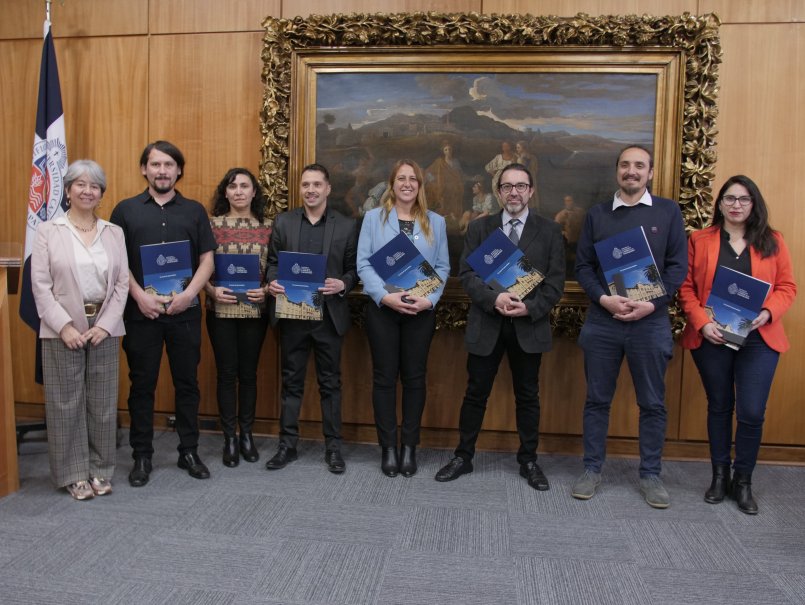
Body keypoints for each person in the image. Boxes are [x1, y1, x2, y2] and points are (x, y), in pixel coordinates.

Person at [435, 163, 565, 489]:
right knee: (475, 394)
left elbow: (555, 283)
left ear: (531, 191)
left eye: (521, 186)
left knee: (528, 396)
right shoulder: (480, 228)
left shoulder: (549, 230)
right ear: (498, 192)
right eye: (507, 186)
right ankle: (463, 457)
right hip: (487, 323)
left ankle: (529, 460)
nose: (514, 192)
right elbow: (467, 275)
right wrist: (494, 299)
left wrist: (529, 307)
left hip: (528, 326)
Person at [571, 145, 687, 508]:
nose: (631, 171)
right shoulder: (598, 215)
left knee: (652, 403)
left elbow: (677, 268)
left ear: (650, 172)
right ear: (617, 171)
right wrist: (604, 299)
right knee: (596, 400)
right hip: (603, 321)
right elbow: (583, 267)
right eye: (625, 165)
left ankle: (651, 475)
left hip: (650, 323)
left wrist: (651, 303)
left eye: (639, 165)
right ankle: (591, 469)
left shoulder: (668, 212)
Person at [679, 175, 796, 514]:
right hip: (713, 337)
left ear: (753, 204)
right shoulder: (700, 240)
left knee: (751, 411)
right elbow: (685, 288)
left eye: (744, 199)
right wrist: (702, 323)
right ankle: (719, 476)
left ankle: (743, 481)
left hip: (759, 339)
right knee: (719, 406)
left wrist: (767, 312)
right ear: (719, 203)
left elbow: (787, 287)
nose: (736, 205)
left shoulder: (773, 241)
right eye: (729, 198)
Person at [110, 140, 217, 487]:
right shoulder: (125, 211)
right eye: (155, 164)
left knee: (187, 384)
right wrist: (139, 296)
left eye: (169, 164)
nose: (162, 171)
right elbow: (117, 262)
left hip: (184, 313)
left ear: (178, 170)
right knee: (142, 385)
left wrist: (189, 295)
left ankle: (189, 451)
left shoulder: (195, 211)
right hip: (142, 314)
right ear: (144, 169)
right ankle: (142, 455)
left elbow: (207, 260)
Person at [31, 159, 129, 500]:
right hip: (62, 328)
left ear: (102, 193)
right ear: (69, 190)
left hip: (105, 328)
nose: (88, 191)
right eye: (81, 184)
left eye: (95, 186)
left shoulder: (113, 232)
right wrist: (64, 326)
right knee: (65, 403)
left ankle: (101, 469)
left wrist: (105, 325)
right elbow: (40, 286)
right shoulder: (49, 231)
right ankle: (74, 474)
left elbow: (122, 284)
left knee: (102, 402)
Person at [358, 160, 450, 477]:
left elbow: (443, 267)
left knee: (414, 379)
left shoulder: (436, 222)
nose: (407, 183)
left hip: (419, 312)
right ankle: (388, 447)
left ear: (420, 185)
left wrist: (430, 300)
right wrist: (384, 296)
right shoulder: (373, 218)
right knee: (384, 379)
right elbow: (363, 264)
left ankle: (409, 446)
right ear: (392, 184)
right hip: (383, 310)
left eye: (413, 179)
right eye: (401, 178)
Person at [265, 163, 357, 474]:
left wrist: (343, 283)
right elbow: (272, 263)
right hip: (292, 314)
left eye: (317, 184)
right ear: (300, 188)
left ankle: (333, 448)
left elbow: (353, 270)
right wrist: (272, 281)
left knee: (330, 383)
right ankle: (287, 446)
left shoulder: (346, 226)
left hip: (328, 317)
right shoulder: (284, 222)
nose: (311, 190)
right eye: (306, 184)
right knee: (291, 382)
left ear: (328, 188)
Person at [204, 168, 272, 467]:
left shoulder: (269, 227)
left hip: (254, 311)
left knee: (248, 374)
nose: (239, 191)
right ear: (226, 192)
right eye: (233, 186)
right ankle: (229, 437)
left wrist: (267, 289)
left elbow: (276, 266)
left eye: (245, 186)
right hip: (220, 310)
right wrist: (210, 290)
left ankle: (247, 434)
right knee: (226, 373)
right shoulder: (210, 226)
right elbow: (199, 267)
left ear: (254, 192)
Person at [425, 142, 465, 221]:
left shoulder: (455, 162)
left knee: (455, 193)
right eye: (446, 150)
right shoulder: (439, 162)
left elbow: (460, 174)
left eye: (449, 149)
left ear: (452, 150)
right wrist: (433, 181)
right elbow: (428, 172)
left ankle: (453, 214)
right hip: (443, 185)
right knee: (442, 196)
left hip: (454, 185)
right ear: (443, 152)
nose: (448, 151)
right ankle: (444, 214)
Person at [554, 194, 586, 274]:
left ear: (573, 201)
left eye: (570, 200)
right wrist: (564, 233)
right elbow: (556, 228)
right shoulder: (561, 215)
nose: (569, 202)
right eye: (567, 201)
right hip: (568, 242)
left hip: (581, 240)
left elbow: (586, 223)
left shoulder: (580, 212)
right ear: (564, 202)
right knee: (570, 260)